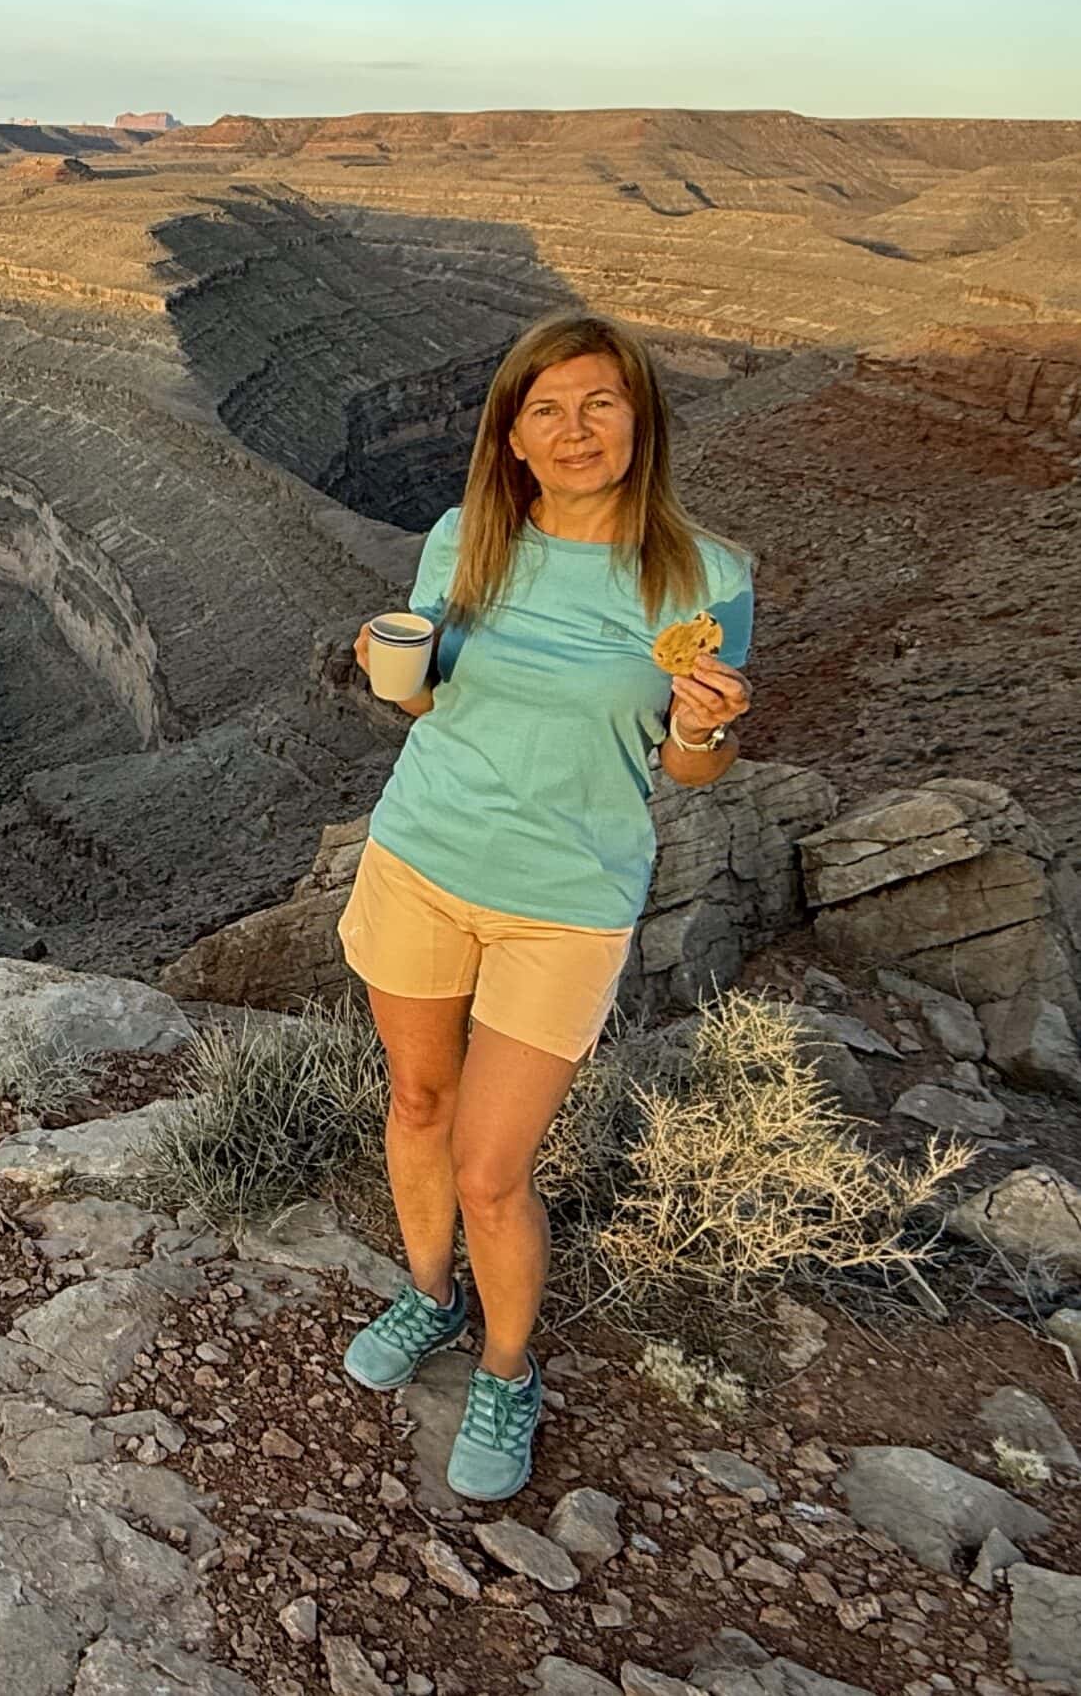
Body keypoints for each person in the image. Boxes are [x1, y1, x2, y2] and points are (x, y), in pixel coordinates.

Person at [339, 308, 754, 1502]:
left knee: (489, 1168)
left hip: (563, 902)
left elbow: (688, 768)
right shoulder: (464, 536)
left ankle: (508, 1368)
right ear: (511, 436)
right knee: (415, 1103)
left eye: (598, 403)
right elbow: (428, 703)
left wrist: (706, 725)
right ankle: (425, 1295)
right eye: (545, 410)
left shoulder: (703, 577)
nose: (573, 430)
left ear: (639, 419)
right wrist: (390, 672)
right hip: (421, 858)